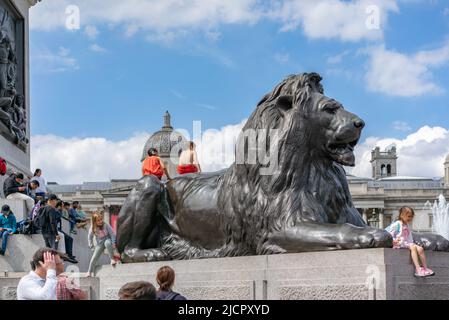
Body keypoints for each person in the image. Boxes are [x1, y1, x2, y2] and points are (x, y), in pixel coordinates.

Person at [385, 206, 435, 277]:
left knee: (420, 249)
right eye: (409, 216)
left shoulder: (406, 225)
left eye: (411, 217)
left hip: (406, 243)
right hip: (399, 243)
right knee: (413, 248)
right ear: (402, 215)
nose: (410, 218)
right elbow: (389, 235)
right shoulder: (397, 224)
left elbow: (409, 237)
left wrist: (412, 243)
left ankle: (425, 268)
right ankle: (418, 269)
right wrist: (395, 240)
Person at [87, 212, 117, 276]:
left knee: (107, 243)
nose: (100, 221)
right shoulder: (93, 228)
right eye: (98, 220)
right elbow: (90, 237)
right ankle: (89, 271)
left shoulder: (105, 224)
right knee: (94, 257)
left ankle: (112, 259)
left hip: (107, 239)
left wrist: (113, 242)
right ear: (94, 222)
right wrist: (91, 246)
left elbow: (112, 234)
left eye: (101, 219)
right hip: (100, 243)